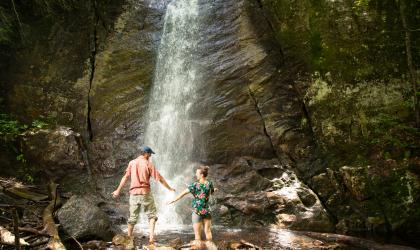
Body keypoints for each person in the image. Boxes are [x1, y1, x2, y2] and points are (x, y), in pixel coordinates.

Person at [112, 145, 175, 245]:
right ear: (145, 153)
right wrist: (170, 188)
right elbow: (160, 178)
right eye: (150, 154)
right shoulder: (148, 164)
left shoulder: (131, 163)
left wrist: (117, 190)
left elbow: (125, 177)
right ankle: (151, 239)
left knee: (132, 218)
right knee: (152, 216)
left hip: (134, 194)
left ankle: (129, 239)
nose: (150, 156)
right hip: (145, 192)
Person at [167, 165, 216, 245]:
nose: (196, 175)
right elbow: (212, 191)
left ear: (202, 175)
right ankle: (211, 247)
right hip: (207, 210)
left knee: (197, 234)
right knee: (207, 231)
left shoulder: (195, 185)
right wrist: (214, 190)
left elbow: (183, 193)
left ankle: (198, 247)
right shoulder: (209, 184)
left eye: (197, 173)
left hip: (197, 211)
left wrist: (173, 200)